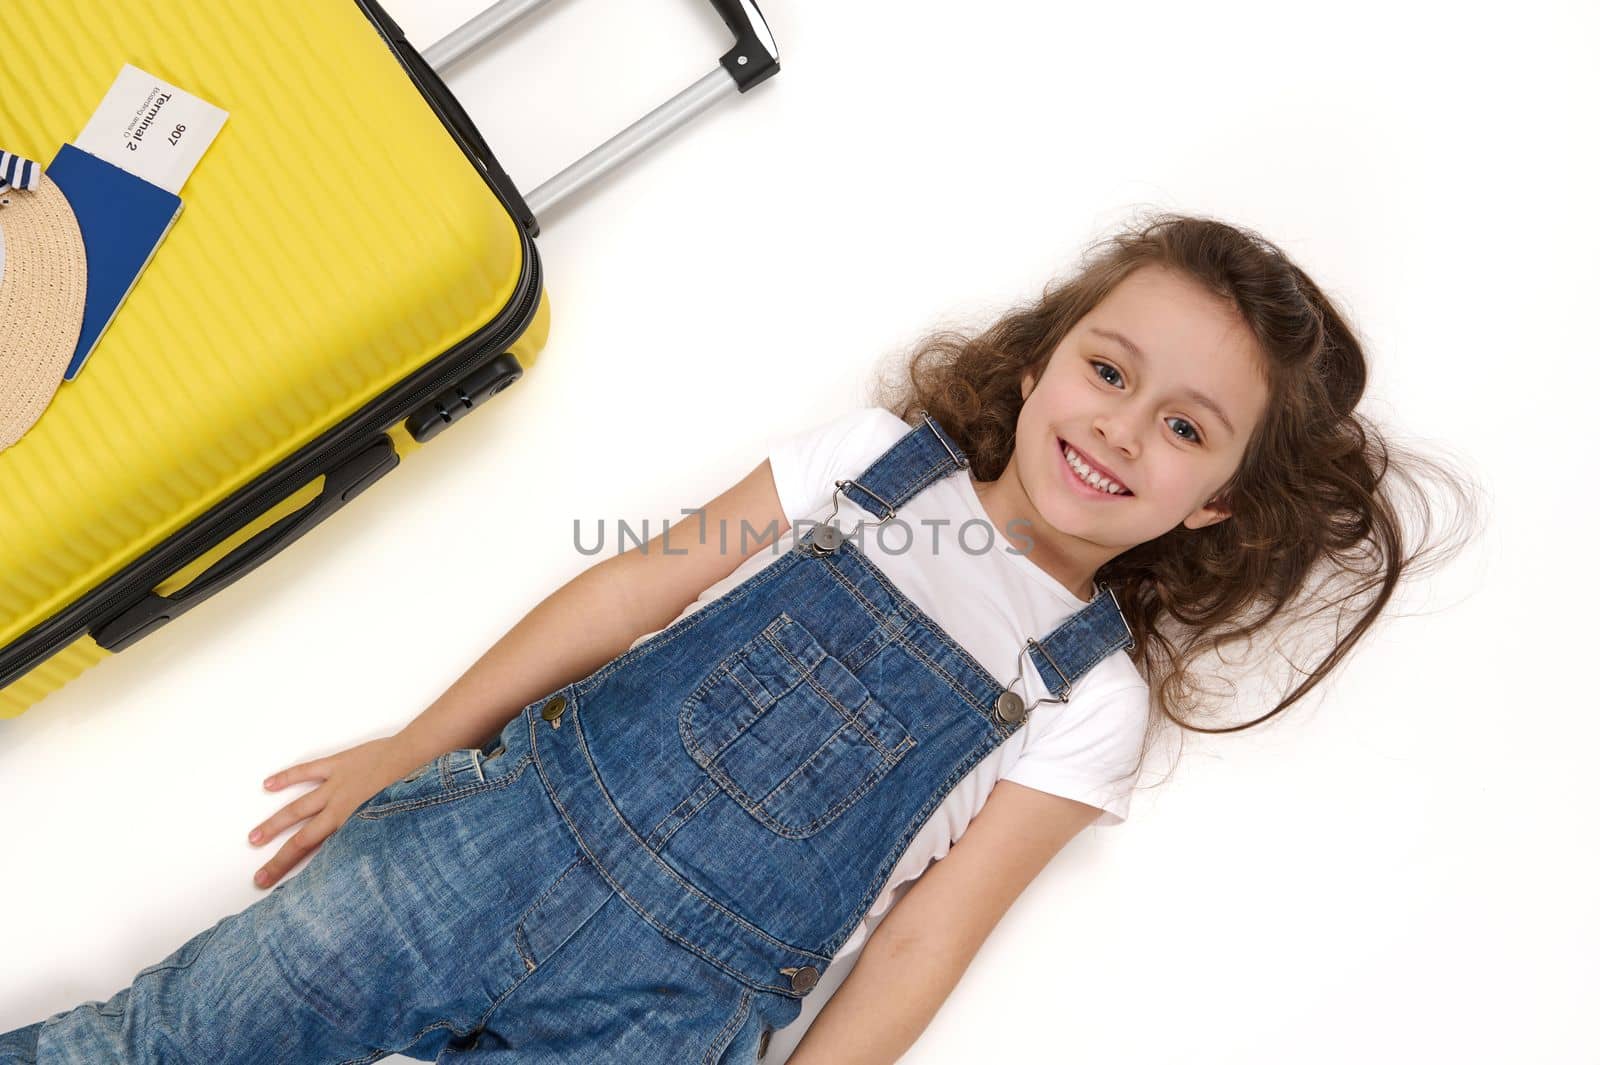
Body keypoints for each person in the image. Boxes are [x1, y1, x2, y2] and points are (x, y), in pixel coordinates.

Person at [0, 212, 1473, 1064]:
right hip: (490, 839)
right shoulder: (866, 462)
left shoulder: (1085, 698)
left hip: (669, 1008)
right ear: (1039, 363)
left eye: (1184, 428)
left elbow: (927, 938)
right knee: (168, 1039)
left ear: (1216, 506)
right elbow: (628, 592)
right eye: (1109, 368)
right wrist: (412, 744)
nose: (1118, 428)